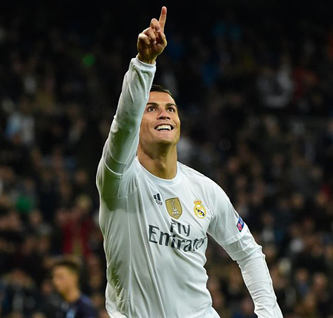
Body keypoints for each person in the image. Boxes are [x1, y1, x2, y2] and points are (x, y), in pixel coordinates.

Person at [96, 6, 283, 318]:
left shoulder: (205, 191)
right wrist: (144, 65)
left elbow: (249, 252)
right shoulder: (119, 180)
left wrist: (269, 313)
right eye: (152, 108)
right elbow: (124, 123)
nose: (164, 113)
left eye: (170, 108)